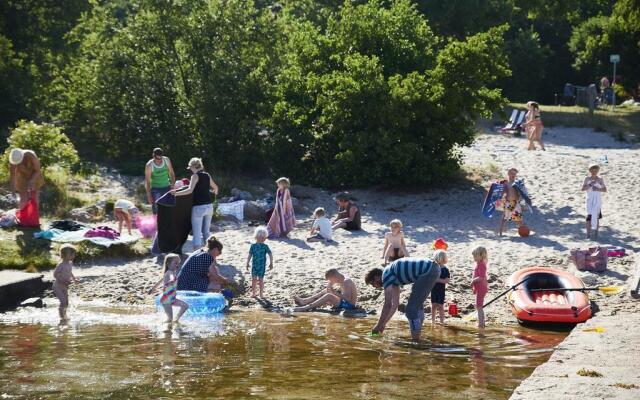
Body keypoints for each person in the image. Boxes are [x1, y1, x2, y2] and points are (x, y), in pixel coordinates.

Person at [365, 252, 445, 341]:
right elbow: (394, 304)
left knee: (410, 310)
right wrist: (383, 324)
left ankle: (416, 342)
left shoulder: (386, 275)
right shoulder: (393, 277)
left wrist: (377, 326)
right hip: (433, 268)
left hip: (428, 270)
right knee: (417, 306)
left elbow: (387, 305)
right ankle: (418, 337)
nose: (375, 287)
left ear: (376, 277)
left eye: (373, 284)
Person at [172, 158, 219, 249]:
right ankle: (211, 254)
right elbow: (216, 188)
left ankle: (198, 255)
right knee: (206, 232)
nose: (190, 169)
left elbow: (190, 190)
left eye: (190, 167)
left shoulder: (195, 176)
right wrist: (213, 196)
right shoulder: (207, 175)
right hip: (209, 206)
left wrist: (176, 193)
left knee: (197, 234)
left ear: (194, 166)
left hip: (198, 207)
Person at [148, 253, 189, 324]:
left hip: (172, 299)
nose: (177, 265)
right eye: (175, 263)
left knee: (185, 306)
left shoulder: (171, 272)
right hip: (166, 300)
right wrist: (171, 281)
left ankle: (176, 320)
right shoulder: (170, 272)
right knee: (169, 319)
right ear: (168, 264)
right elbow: (171, 278)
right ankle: (163, 325)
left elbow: (159, 282)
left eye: (178, 263)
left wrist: (153, 289)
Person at [293, 269, 358, 312]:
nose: (331, 282)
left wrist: (333, 292)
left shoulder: (347, 282)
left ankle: (304, 308)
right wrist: (330, 290)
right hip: (344, 302)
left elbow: (347, 299)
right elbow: (341, 294)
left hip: (349, 306)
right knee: (326, 291)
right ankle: (305, 301)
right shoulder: (341, 278)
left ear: (335, 277)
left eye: (331, 280)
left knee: (329, 296)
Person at [145, 148, 176, 214]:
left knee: (168, 207)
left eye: (160, 158)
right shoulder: (149, 165)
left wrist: (173, 185)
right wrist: (149, 195)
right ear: (153, 156)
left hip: (166, 186)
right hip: (155, 188)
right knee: (157, 208)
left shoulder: (166, 160)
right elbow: (147, 181)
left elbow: (171, 173)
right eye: (157, 159)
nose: (159, 160)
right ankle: (156, 222)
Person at [53, 244, 78, 320]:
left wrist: (74, 279)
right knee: (63, 302)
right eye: (71, 254)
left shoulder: (70, 263)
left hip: (65, 286)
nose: (73, 255)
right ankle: (61, 317)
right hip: (58, 286)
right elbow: (55, 274)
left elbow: (70, 272)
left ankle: (64, 315)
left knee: (66, 303)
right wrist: (61, 280)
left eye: (74, 254)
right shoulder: (61, 264)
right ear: (64, 255)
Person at [246, 227, 273, 298]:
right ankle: (254, 293)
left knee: (261, 279)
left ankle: (261, 294)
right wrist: (247, 263)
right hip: (254, 265)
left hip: (261, 266)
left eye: (263, 237)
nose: (262, 239)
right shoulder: (253, 246)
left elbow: (270, 254)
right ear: (256, 237)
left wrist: (271, 263)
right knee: (254, 279)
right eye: (260, 237)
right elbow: (250, 255)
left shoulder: (265, 246)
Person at [581, 164, 607, 239]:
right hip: (590, 200)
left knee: (597, 216)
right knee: (589, 217)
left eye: (595, 170)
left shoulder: (600, 179)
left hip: (597, 200)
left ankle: (596, 233)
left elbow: (605, 190)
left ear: (598, 171)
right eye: (592, 170)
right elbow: (583, 189)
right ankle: (588, 234)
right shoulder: (587, 178)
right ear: (590, 171)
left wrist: (597, 189)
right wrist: (590, 184)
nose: (594, 172)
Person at [498, 168, 523, 236]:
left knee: (518, 218)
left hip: (516, 202)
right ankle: (500, 232)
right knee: (505, 217)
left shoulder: (517, 183)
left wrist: (521, 198)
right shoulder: (506, 183)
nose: (513, 175)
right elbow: (503, 192)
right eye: (512, 174)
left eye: (514, 174)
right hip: (510, 202)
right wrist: (500, 198)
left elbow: (521, 193)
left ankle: (522, 231)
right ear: (508, 174)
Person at [471, 246, 488, 328]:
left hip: (481, 287)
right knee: (478, 305)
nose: (474, 257)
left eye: (475, 256)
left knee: (479, 306)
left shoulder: (481, 265)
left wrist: (473, 281)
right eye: (473, 256)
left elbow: (481, 277)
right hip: (479, 287)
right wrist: (474, 287)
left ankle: (481, 324)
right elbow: (476, 275)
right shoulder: (478, 264)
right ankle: (481, 322)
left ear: (481, 256)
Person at [430, 251, 450, 325]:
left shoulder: (445, 269)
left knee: (441, 306)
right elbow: (431, 278)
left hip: (441, 290)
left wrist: (437, 280)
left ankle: (442, 321)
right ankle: (433, 321)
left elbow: (447, 280)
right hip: (433, 289)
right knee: (433, 305)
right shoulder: (433, 268)